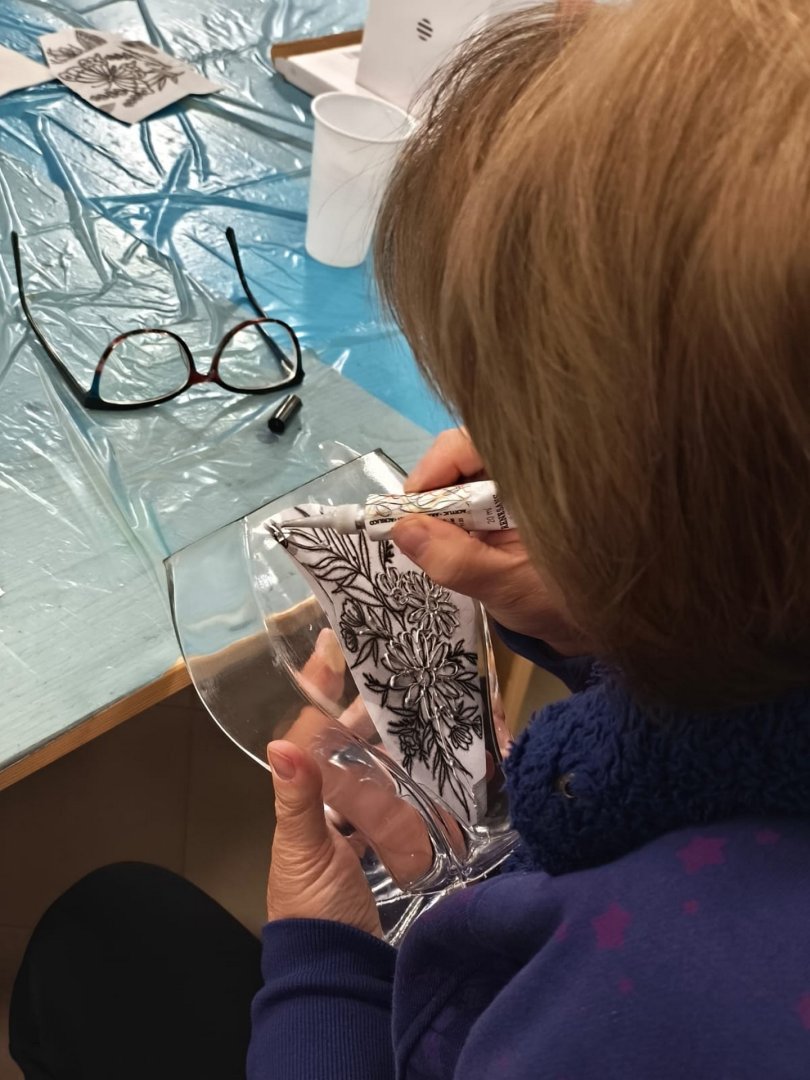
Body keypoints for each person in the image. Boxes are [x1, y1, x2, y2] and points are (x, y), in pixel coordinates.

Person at [11, 0, 810, 1075]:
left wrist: (326, 956)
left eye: (532, 439)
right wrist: (607, 631)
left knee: (103, 937)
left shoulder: (677, 995)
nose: (482, 456)